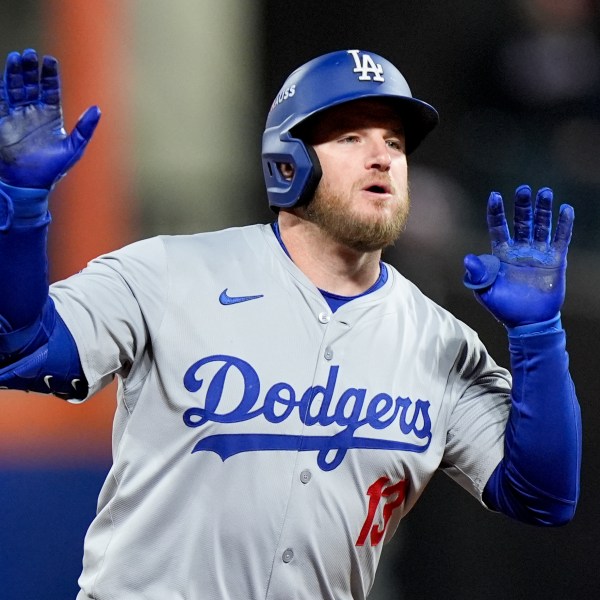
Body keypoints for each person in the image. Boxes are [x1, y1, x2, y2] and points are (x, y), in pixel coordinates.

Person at [0, 48, 581, 600]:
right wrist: (24, 204)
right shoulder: (169, 272)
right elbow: (23, 349)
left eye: (395, 142)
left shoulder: (439, 341)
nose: (382, 156)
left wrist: (538, 336)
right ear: (288, 161)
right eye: (351, 137)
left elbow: (542, 494)